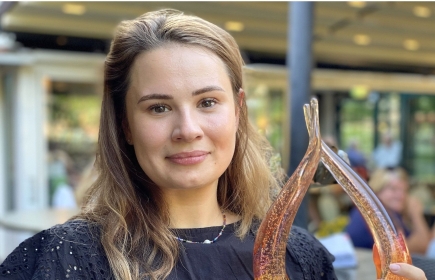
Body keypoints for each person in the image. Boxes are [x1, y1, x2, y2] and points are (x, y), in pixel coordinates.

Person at [0, 9, 426, 280]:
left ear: (238, 111)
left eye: (207, 102)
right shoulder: (61, 260)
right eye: (158, 108)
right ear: (124, 123)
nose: (188, 129)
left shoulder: (302, 258)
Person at [345, 167, 431, 255]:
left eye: (404, 190)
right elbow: (420, 247)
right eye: (393, 189)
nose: (401, 195)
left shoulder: (393, 214)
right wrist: (416, 215)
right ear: (376, 190)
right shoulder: (372, 215)